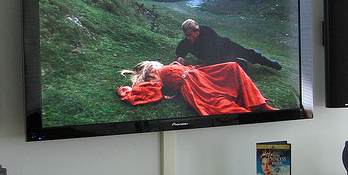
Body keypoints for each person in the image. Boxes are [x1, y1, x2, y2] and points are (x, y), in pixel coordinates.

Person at [117, 60, 277, 116]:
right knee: (215, 102)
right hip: (192, 84)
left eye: (155, 63)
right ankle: (248, 115)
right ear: (148, 69)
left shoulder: (167, 67)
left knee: (232, 67)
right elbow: (152, 88)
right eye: (152, 64)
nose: (156, 64)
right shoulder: (155, 75)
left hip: (199, 74)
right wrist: (131, 90)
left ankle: (259, 105)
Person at [175, 19, 282, 70]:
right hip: (218, 57)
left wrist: (206, 66)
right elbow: (181, 46)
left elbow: (212, 53)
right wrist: (180, 56)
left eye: (189, 35)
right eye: (186, 35)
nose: (187, 37)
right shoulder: (188, 40)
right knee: (237, 65)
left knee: (248, 54)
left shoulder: (208, 32)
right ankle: (240, 62)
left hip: (225, 46)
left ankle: (269, 63)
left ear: (197, 31)